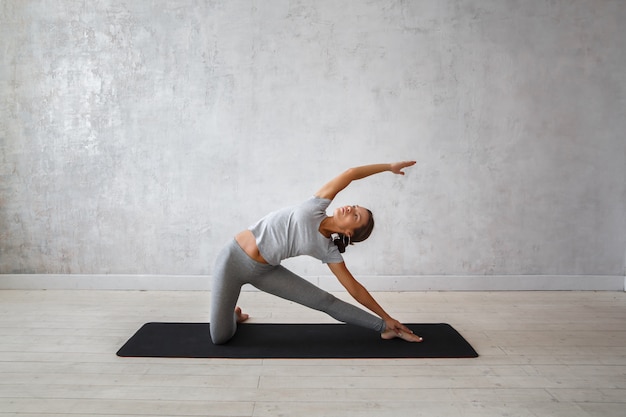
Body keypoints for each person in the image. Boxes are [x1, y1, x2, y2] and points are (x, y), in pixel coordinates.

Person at [210, 161, 423, 344]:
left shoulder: (328, 250)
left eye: (356, 216)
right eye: (355, 207)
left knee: (325, 301)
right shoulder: (317, 205)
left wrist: (385, 318)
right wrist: (388, 167)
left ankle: (385, 329)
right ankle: (232, 316)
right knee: (219, 338)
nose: (350, 208)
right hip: (232, 259)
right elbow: (351, 174)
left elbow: (355, 289)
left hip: (264, 272)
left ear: (349, 232)